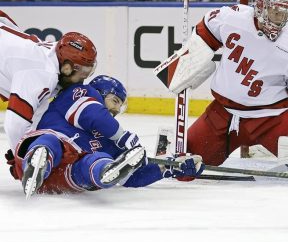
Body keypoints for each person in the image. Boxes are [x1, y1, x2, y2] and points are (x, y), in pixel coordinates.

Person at [155, 0, 288, 166]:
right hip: (223, 114)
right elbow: (206, 30)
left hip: (272, 117)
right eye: (276, 13)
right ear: (261, 7)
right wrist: (188, 59)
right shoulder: (232, 18)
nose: (280, 20)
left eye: (284, 15)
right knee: (184, 163)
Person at [7, 75, 204, 197]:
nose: (117, 110)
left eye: (120, 106)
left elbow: (130, 178)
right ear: (99, 93)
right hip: (41, 149)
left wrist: (169, 167)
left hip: (59, 180)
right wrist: (122, 135)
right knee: (50, 143)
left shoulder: (108, 139)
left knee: (96, 161)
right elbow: (92, 114)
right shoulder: (80, 93)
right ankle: (38, 162)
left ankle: (103, 172)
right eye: (115, 101)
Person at [0, 10, 97, 153]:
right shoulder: (42, 75)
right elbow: (15, 125)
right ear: (67, 68)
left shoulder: (54, 51)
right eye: (83, 72)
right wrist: (21, 159)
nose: (83, 78)